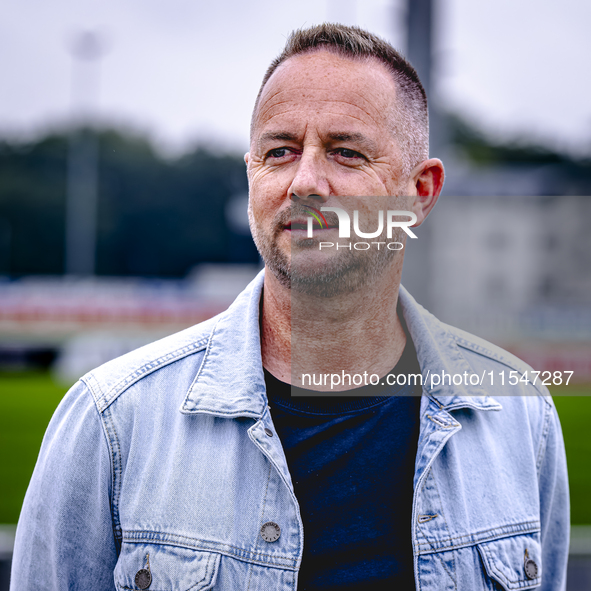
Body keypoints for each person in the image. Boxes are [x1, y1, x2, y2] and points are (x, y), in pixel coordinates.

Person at [11, 23, 568, 591]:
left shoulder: (522, 419)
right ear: (252, 174)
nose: (304, 181)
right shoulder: (111, 422)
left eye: (345, 152)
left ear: (419, 192)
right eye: (279, 152)